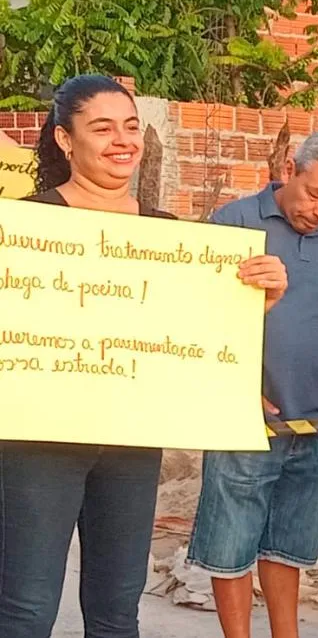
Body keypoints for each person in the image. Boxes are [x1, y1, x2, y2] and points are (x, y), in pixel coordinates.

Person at [0, 74, 286, 637]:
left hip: (131, 445)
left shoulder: (169, 238)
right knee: (25, 609)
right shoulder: (23, 227)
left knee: (117, 611)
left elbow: (196, 341)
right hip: (37, 444)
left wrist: (260, 300)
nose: (121, 141)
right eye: (101, 128)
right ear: (64, 139)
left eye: (131, 127)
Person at [186, 131, 318, 638]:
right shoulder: (234, 222)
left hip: (313, 416)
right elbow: (197, 320)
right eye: (316, 195)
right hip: (245, 418)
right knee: (231, 549)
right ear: (290, 167)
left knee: (288, 547)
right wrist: (234, 389)